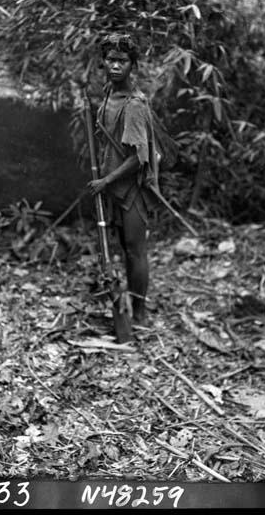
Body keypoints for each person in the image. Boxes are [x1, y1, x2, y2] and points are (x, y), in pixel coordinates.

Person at [87, 34, 159, 327]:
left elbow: (138, 158)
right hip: (113, 185)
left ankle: (140, 314)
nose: (116, 66)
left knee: (135, 248)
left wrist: (106, 181)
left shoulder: (134, 105)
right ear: (103, 63)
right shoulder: (109, 94)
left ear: (133, 66)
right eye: (111, 60)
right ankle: (127, 304)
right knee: (122, 247)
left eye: (123, 61)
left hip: (133, 187)